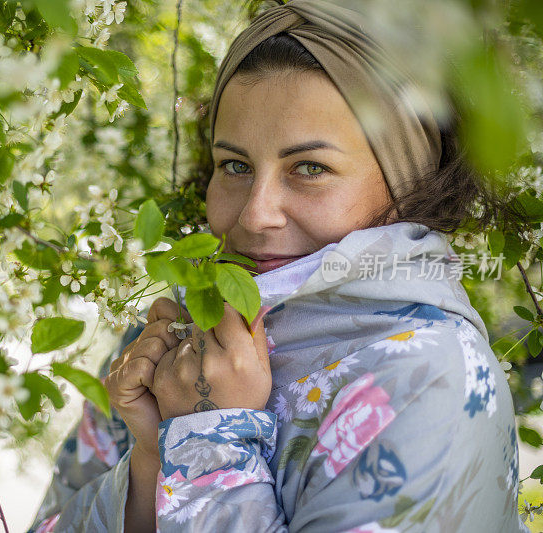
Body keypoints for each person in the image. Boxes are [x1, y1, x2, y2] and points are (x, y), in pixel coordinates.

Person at [26, 1, 531, 531]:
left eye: (310, 168)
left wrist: (208, 438)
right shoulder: (172, 340)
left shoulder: (431, 376)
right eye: (235, 166)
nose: (255, 213)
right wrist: (152, 464)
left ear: (409, 179)